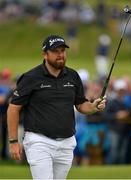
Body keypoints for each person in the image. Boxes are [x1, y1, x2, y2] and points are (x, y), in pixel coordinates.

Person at [7, 35, 106, 180]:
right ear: (45, 54)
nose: (60, 55)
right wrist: (13, 142)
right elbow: (13, 108)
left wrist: (93, 106)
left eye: (62, 51)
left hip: (66, 143)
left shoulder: (73, 76)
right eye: (55, 51)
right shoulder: (31, 77)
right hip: (39, 141)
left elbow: (80, 105)